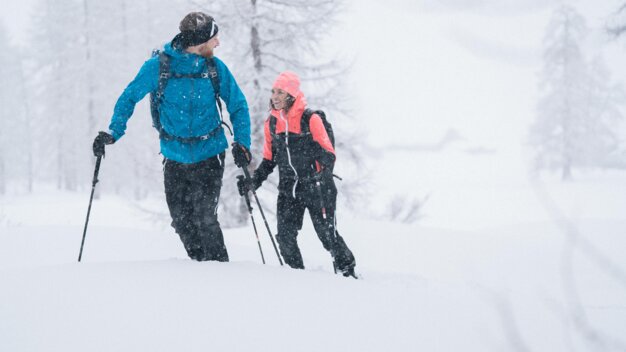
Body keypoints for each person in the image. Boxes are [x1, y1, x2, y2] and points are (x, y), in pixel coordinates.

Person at [92, 12, 252, 262]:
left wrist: (242, 142)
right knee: (181, 221)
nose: (218, 43)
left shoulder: (214, 68)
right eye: (214, 39)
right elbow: (129, 96)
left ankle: (220, 274)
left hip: (210, 153)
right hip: (173, 154)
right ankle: (198, 267)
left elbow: (238, 104)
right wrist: (114, 132)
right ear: (200, 42)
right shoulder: (158, 66)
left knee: (206, 219)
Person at [238, 71, 356, 277]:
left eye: (280, 92)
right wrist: (253, 181)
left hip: (317, 187)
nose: (274, 96)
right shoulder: (271, 124)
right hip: (288, 188)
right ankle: (297, 278)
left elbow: (329, 155)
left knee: (327, 236)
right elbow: (268, 159)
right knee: (284, 237)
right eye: (273, 91)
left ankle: (348, 270)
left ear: (291, 95)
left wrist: (314, 160)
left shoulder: (311, 120)